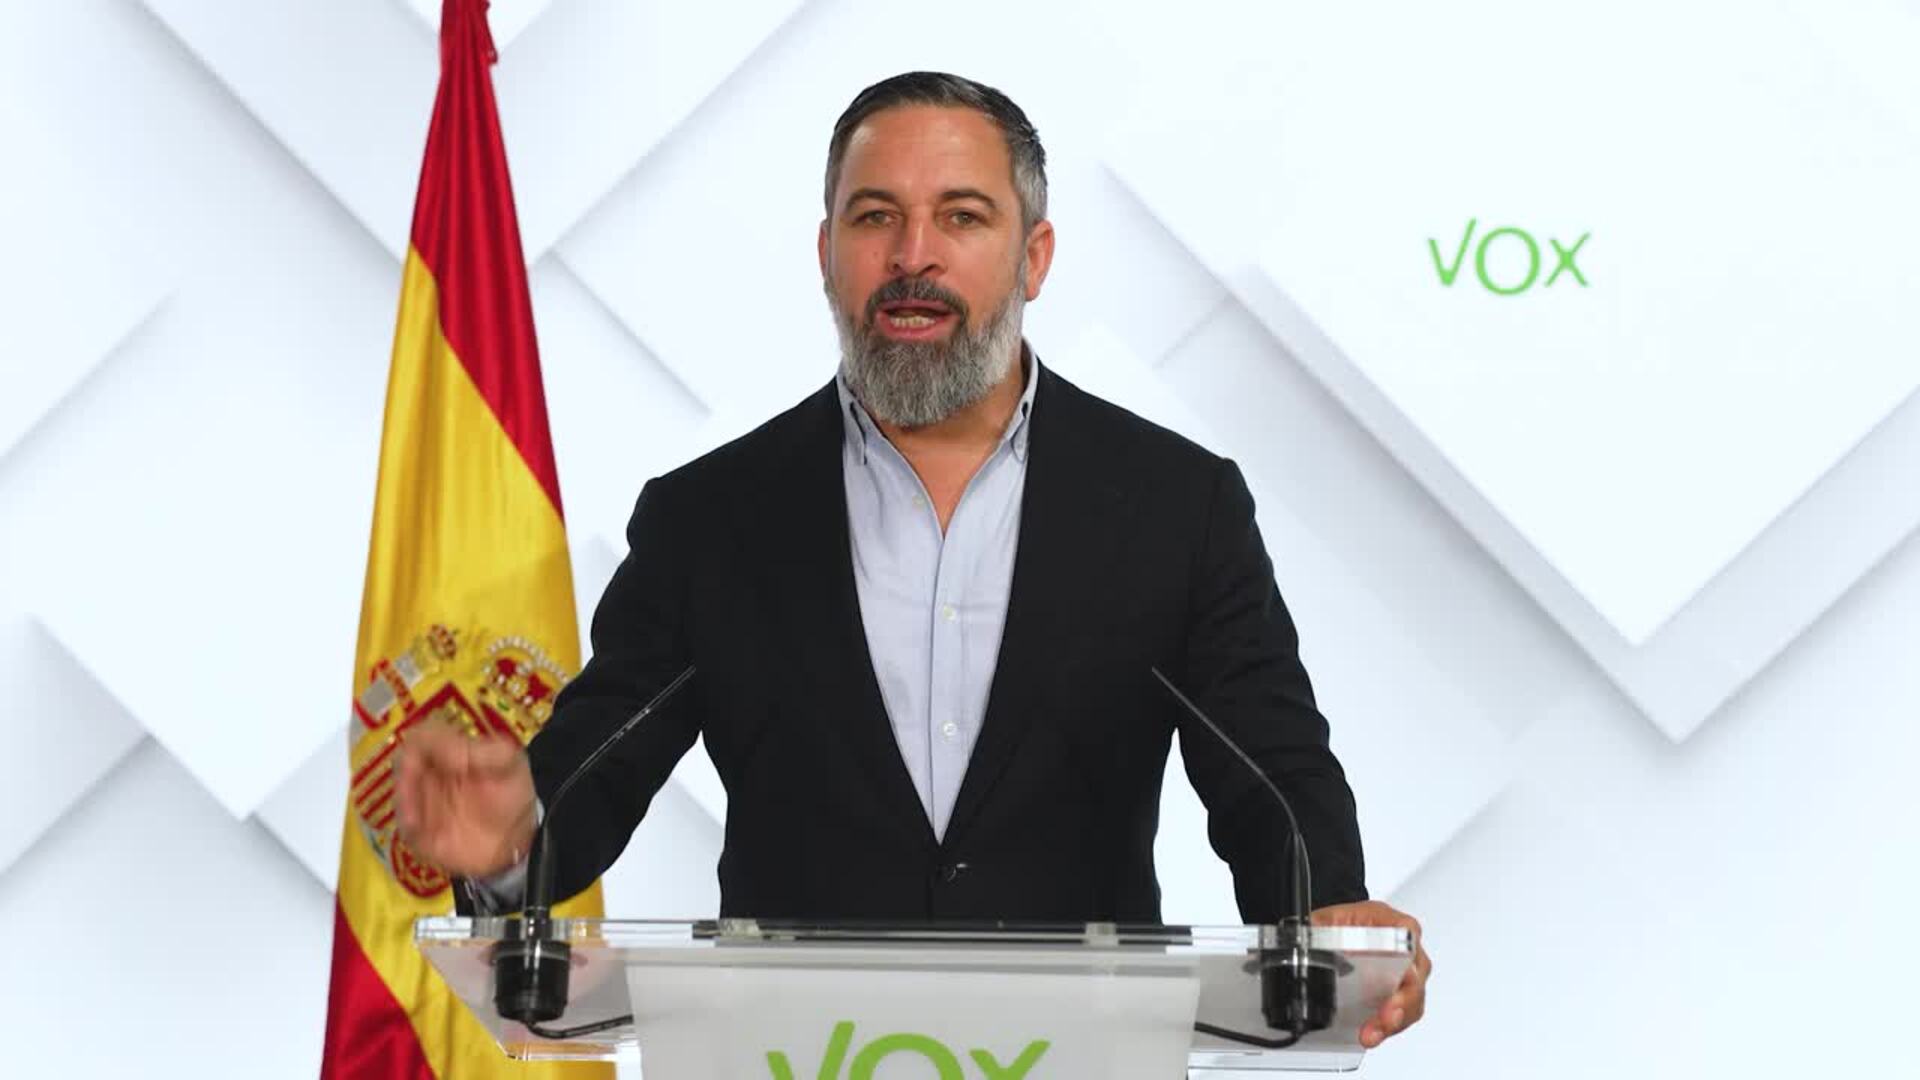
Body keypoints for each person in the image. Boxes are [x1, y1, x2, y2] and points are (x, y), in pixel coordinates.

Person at [394, 71, 1429, 1048]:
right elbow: (598, 761)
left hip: (1082, 1051)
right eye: (875, 216)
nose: (912, 255)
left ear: (1033, 258)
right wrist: (510, 850)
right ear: (826, 252)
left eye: (962, 217)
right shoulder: (711, 519)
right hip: (789, 1054)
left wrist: (1324, 908)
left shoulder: (1174, 507)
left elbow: (1271, 768)